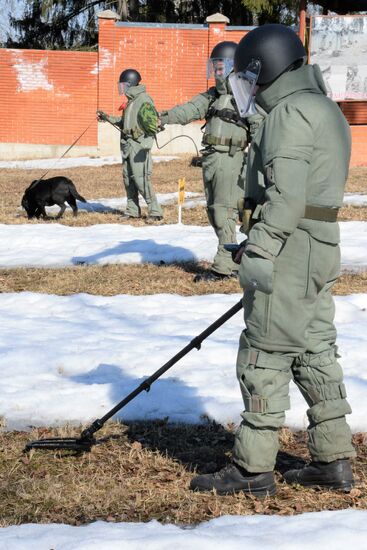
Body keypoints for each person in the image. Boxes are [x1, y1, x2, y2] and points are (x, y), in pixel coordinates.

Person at [190, 24, 356, 496]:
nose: (249, 88)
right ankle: (333, 459)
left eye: (250, 77)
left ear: (267, 68)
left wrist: (260, 248)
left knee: (264, 351)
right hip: (319, 245)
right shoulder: (324, 107)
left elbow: (284, 196)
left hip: (289, 247)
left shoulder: (287, 114)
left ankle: (252, 469)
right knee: (315, 349)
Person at [159, 41, 257, 281]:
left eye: (221, 65)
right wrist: (162, 117)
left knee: (223, 211)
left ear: (234, 65)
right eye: (215, 65)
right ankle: (240, 256)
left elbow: (260, 127)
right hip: (211, 159)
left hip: (231, 159)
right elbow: (188, 110)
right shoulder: (213, 96)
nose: (217, 70)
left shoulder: (244, 94)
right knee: (214, 211)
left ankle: (225, 267)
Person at [97, 69, 163, 221]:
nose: (121, 88)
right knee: (128, 179)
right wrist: (107, 118)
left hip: (139, 146)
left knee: (141, 179)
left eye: (123, 85)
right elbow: (124, 123)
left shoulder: (144, 99)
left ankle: (155, 212)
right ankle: (133, 210)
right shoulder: (131, 101)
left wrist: (145, 143)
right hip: (127, 145)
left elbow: (153, 124)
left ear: (130, 84)